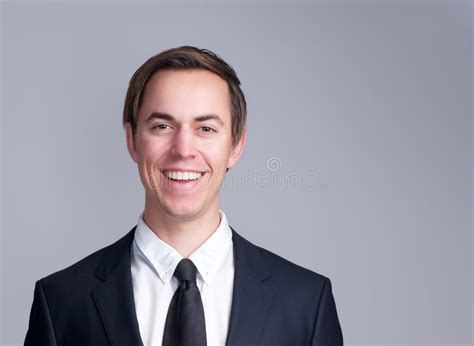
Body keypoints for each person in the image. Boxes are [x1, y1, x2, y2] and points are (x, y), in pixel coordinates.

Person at [24, 46, 343, 345]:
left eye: (205, 129)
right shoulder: (61, 302)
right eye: (162, 126)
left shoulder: (305, 302)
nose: (183, 150)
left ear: (236, 145)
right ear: (132, 141)